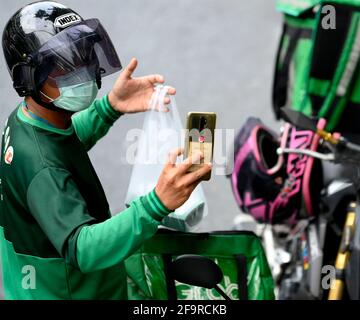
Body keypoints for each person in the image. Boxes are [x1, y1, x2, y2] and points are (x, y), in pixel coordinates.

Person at [0, 1, 211, 300]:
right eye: (61, 65)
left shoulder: (27, 121)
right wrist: (156, 203)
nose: (80, 70)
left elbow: (63, 144)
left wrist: (108, 108)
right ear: (28, 78)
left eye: (82, 54)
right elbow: (82, 248)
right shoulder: (41, 165)